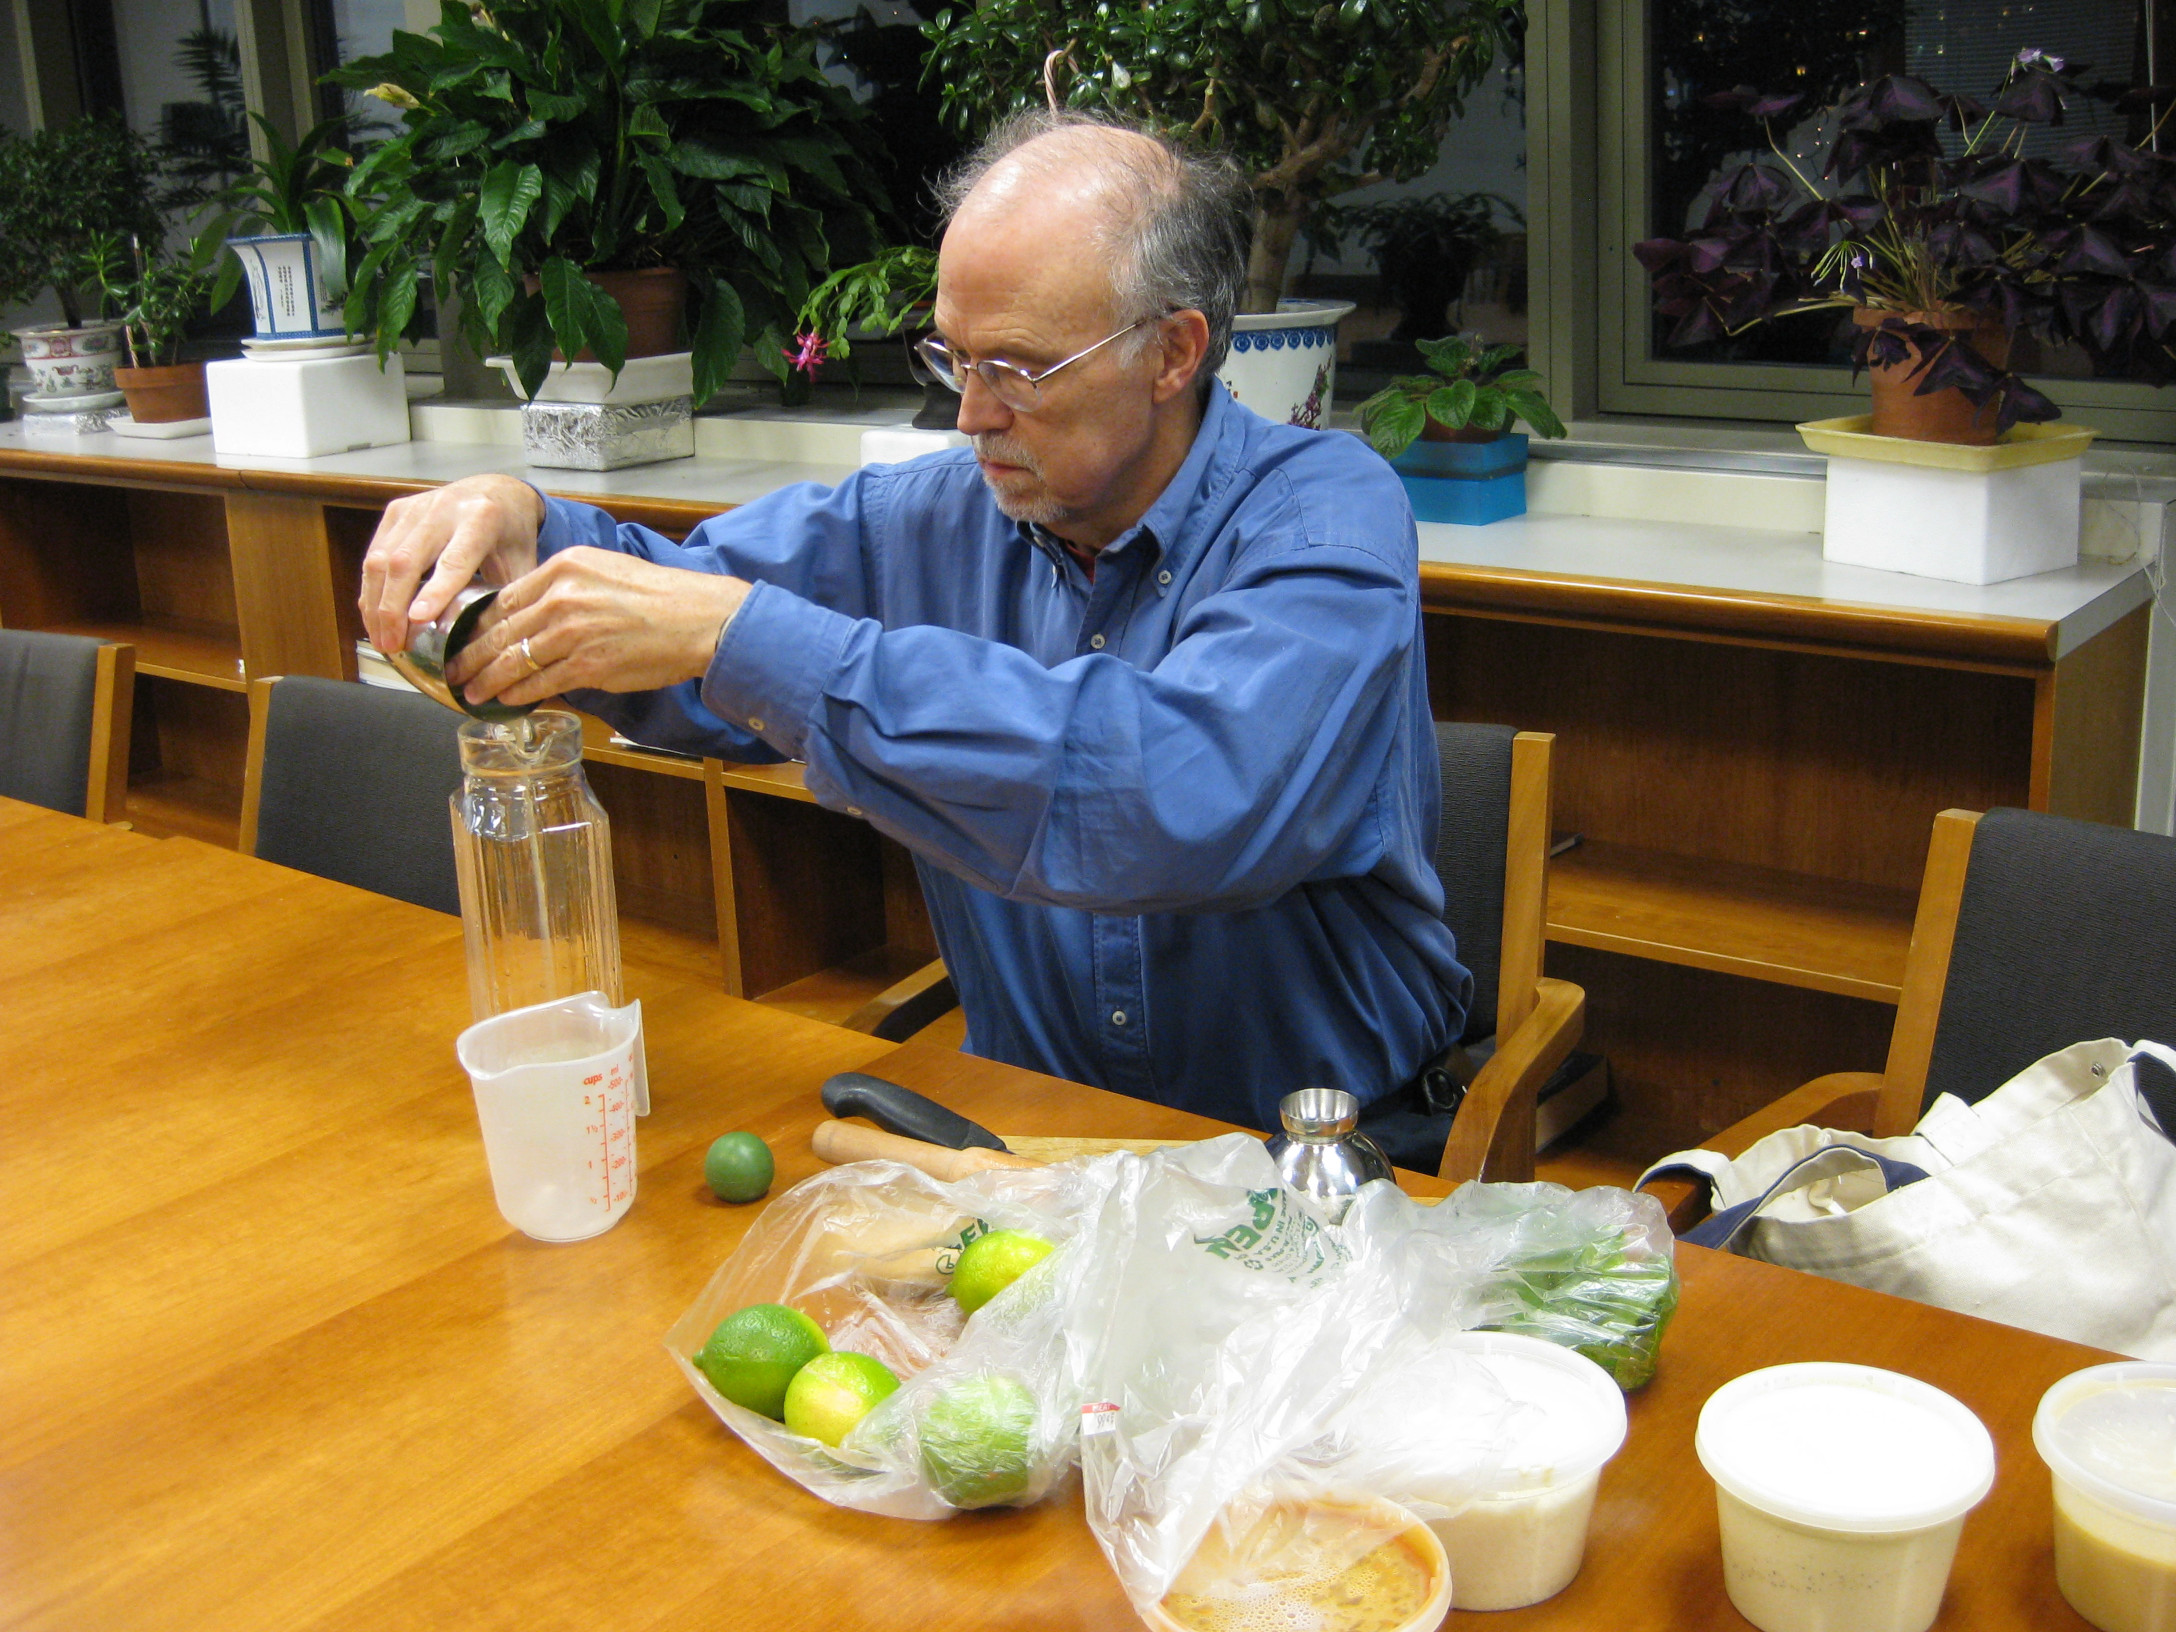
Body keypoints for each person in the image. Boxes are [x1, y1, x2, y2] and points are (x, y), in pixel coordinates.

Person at [359, 110, 1472, 1138]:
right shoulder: (926, 517)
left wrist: (750, 639)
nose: (971, 413)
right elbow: (675, 604)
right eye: (951, 357)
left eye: (1018, 369)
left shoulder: (1327, 515)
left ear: (1173, 354)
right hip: (1032, 1145)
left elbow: (1181, 795)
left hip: (1324, 1158)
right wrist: (527, 530)